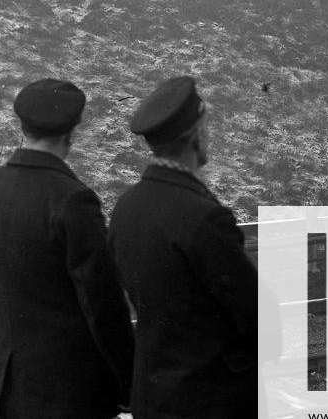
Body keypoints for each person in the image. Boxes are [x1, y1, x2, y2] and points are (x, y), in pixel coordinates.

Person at [0, 79, 134, 419]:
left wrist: (6, 351)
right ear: (72, 131)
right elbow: (103, 303)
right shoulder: (72, 199)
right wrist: (128, 383)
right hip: (72, 393)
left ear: (22, 125)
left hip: (9, 389)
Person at [109, 76, 258, 419]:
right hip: (209, 401)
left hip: (152, 396)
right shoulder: (204, 217)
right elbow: (255, 315)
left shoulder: (126, 208)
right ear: (195, 134)